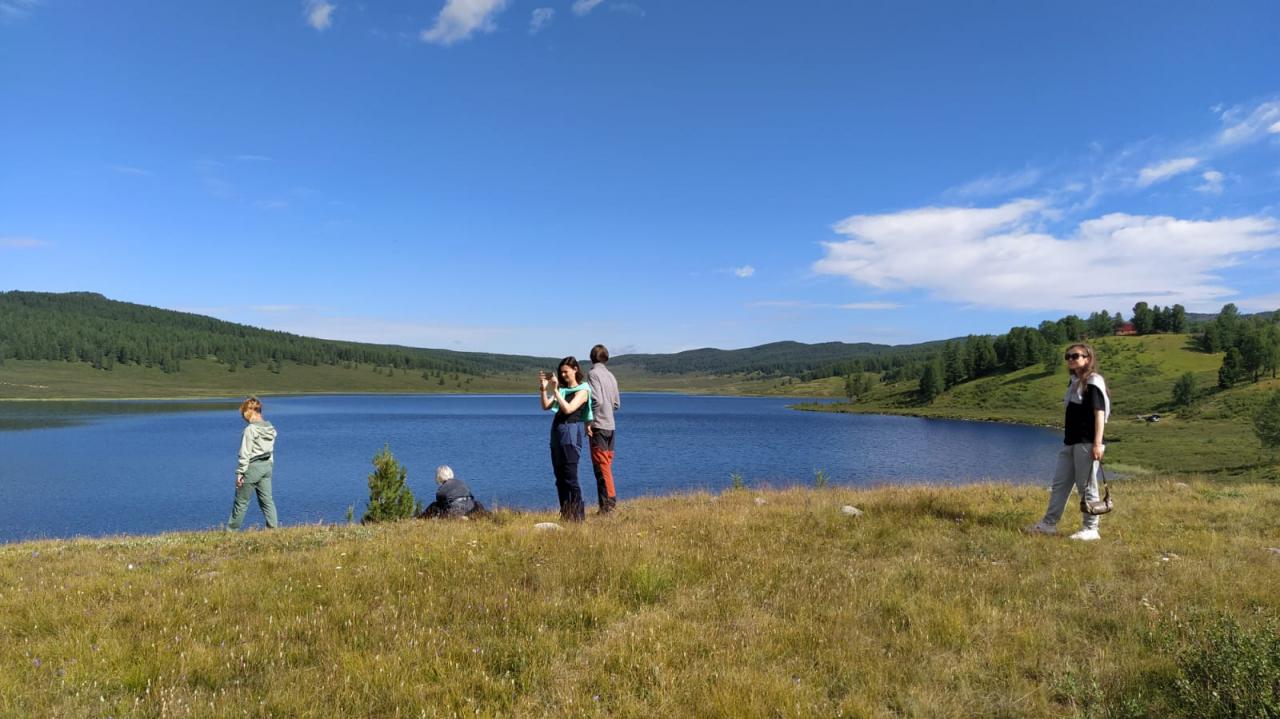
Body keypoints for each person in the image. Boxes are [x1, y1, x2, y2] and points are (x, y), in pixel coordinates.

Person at [1028, 343, 1111, 541]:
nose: (1070, 360)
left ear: (1088, 359)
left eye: (1075, 356)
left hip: (1087, 442)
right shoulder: (1074, 382)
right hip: (1070, 442)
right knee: (1060, 484)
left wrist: (1097, 444)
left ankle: (1091, 529)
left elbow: (1099, 414)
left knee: (1087, 487)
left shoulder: (1093, 382)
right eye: (1068, 356)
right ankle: (1049, 524)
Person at [539, 356, 593, 522]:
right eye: (561, 372)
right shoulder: (562, 390)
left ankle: (577, 516)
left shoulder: (583, 390)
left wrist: (555, 391)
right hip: (557, 433)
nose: (563, 375)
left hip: (571, 433)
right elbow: (546, 406)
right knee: (560, 477)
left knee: (570, 477)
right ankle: (566, 513)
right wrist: (543, 389)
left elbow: (569, 409)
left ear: (575, 370)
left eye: (566, 372)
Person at [226, 396, 279, 531]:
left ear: (250, 412)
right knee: (267, 501)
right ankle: (273, 529)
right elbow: (270, 450)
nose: (244, 418)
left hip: (252, 467)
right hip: (267, 466)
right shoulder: (271, 428)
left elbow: (245, 453)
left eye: (244, 415)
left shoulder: (250, 430)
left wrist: (240, 474)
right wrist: (270, 465)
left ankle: (231, 532)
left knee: (241, 502)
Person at [586, 343, 621, 513]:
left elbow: (596, 400)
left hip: (599, 426)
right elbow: (616, 403)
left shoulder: (593, 374)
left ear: (592, 357)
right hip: (611, 426)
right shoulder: (611, 376)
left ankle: (608, 506)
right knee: (606, 466)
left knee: (601, 467)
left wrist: (590, 421)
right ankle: (607, 505)